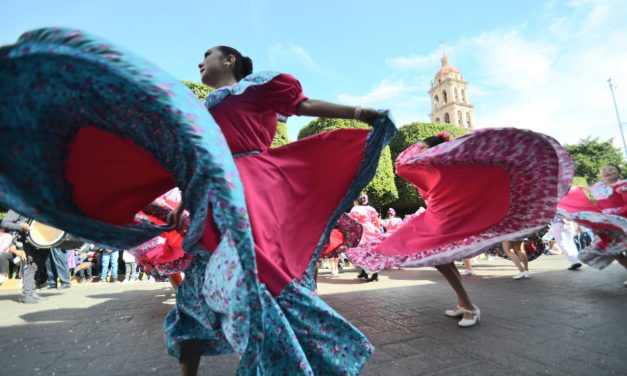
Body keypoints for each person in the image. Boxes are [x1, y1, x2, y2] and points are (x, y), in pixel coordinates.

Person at [0, 29, 396, 375]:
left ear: (229, 59)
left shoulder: (259, 84)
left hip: (255, 188)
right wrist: (179, 208)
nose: (199, 63)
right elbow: (196, 161)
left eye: (205, 56)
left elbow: (303, 105)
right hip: (210, 193)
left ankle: (284, 353)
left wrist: (362, 112)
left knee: (261, 275)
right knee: (197, 285)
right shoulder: (202, 109)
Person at [347, 129, 574, 327]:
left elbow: (401, 163)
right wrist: (434, 141)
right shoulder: (437, 167)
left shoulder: (446, 165)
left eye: (424, 150)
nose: (420, 154)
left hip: (447, 219)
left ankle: (468, 305)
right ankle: (462, 301)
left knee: (439, 260)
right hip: (438, 217)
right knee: (441, 260)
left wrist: (427, 142)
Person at [557, 165, 627, 284]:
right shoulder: (597, 187)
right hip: (607, 223)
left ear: (619, 173)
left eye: (611, 169)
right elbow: (584, 193)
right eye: (604, 170)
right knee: (614, 251)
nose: (607, 172)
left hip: (623, 220)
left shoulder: (623, 184)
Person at [1, 210, 50, 303]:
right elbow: (5, 223)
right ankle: (26, 295)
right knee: (32, 266)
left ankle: (32, 291)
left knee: (39, 265)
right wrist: (20, 226)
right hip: (29, 239)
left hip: (44, 238)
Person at [349, 194, 382, 282]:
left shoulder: (355, 209)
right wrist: (377, 229)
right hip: (371, 228)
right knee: (372, 251)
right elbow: (376, 220)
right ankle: (372, 273)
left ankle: (367, 272)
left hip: (361, 230)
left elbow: (353, 222)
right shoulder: (371, 208)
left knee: (361, 251)